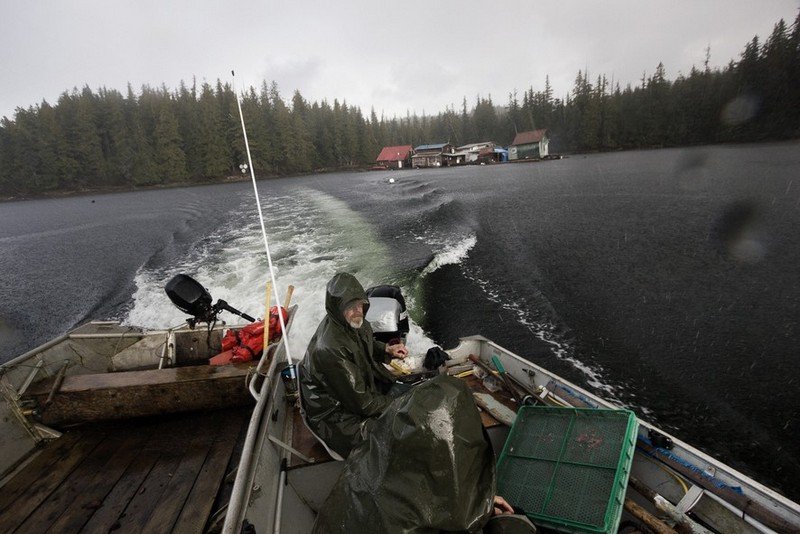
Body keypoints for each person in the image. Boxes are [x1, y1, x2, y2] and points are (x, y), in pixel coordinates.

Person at [299, 272, 408, 458]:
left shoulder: (353, 322)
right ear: (337, 309)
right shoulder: (330, 350)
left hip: (356, 394)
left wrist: (386, 349)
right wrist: (402, 405)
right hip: (336, 417)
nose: (357, 310)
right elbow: (364, 404)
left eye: (360, 304)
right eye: (350, 307)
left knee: (411, 401)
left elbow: (364, 343)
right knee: (402, 435)